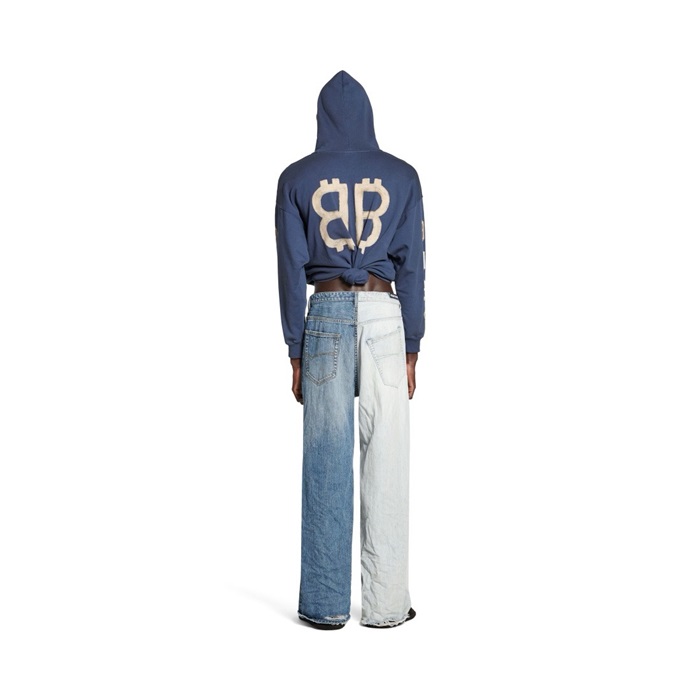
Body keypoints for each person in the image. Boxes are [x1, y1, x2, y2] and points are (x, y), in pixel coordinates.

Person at [275, 70, 426, 629]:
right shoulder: (403, 176)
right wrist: (412, 345)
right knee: (388, 459)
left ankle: (323, 605)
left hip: (326, 316)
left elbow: (290, 271)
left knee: (325, 459)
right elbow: (414, 267)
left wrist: (296, 350)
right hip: (385, 317)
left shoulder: (296, 178)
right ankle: (386, 605)